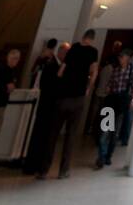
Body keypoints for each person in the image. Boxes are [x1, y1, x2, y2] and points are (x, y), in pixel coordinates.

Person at [37, 29, 99, 179]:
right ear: (92, 39)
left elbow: (60, 72)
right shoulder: (93, 52)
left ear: (83, 37)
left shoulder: (73, 49)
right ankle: (63, 170)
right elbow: (94, 72)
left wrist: (63, 84)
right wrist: (88, 88)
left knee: (53, 134)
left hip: (63, 96)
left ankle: (44, 170)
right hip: (77, 97)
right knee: (71, 136)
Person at [23, 42, 66, 175]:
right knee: (39, 135)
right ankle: (32, 165)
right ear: (60, 52)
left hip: (51, 106)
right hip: (46, 105)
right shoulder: (51, 64)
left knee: (45, 137)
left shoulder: (57, 65)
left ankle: (37, 164)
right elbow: (48, 84)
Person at [94, 48, 133, 169]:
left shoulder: (130, 72)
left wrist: (132, 100)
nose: (119, 59)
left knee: (114, 133)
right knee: (105, 130)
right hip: (111, 102)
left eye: (121, 57)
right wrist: (108, 89)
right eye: (119, 57)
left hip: (121, 104)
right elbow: (110, 84)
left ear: (127, 59)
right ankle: (101, 157)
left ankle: (108, 155)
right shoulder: (115, 70)